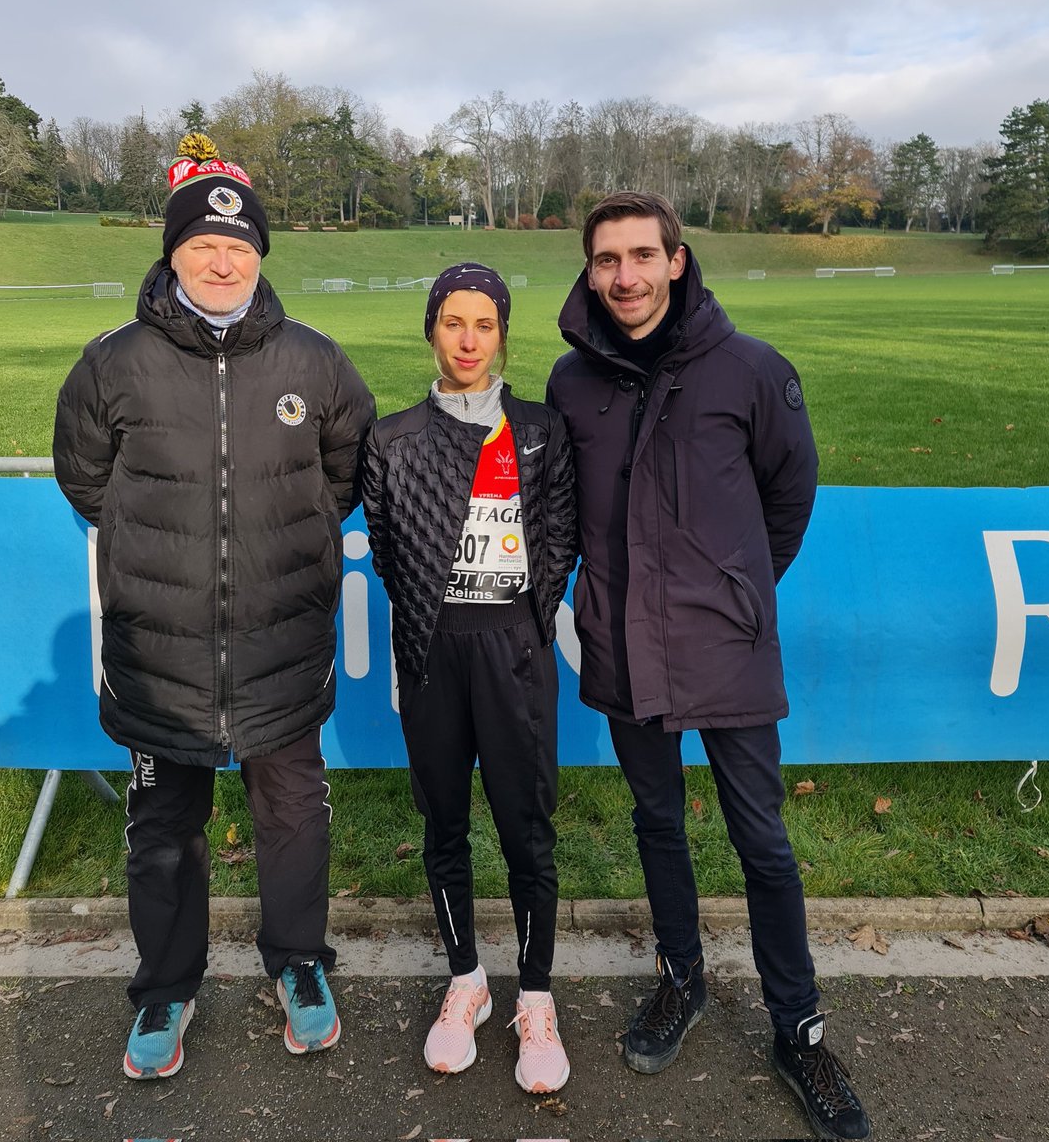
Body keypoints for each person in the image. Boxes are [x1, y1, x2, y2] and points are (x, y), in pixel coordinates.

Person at [546, 192, 870, 1140]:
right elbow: (567, 511)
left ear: (677, 260)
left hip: (724, 644)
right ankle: (681, 979)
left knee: (760, 840)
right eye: (608, 260)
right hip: (623, 644)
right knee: (657, 821)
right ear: (590, 270)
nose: (626, 277)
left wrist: (737, 588)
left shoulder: (754, 371)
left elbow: (789, 493)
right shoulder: (573, 383)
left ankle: (797, 1026)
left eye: (643, 255)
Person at [53, 134, 376, 1080]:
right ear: (174, 254)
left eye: (238, 246)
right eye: (202, 246)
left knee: (292, 814)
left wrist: (299, 523)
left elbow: (346, 469)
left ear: (261, 254)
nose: (222, 260)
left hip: (282, 647)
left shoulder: (315, 362)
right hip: (163, 655)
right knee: (164, 828)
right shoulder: (113, 362)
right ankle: (164, 987)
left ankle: (300, 966)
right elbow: (86, 480)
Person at [360, 264, 577, 1094]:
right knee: (444, 824)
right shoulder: (394, 437)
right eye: (453, 322)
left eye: (484, 325)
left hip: (513, 651)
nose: (468, 340)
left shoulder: (541, 431)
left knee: (527, 833)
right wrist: (433, 615)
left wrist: (524, 622)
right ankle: (466, 983)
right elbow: (386, 545)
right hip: (433, 654)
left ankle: (536, 996)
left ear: (503, 334)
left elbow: (559, 539)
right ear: (431, 329)